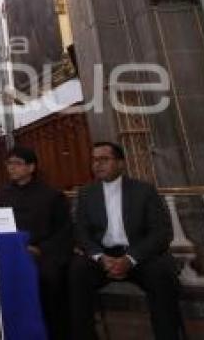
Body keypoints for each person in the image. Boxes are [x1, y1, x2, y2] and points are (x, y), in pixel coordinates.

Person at [70, 141, 181, 340]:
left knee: (162, 276)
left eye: (104, 159)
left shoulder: (144, 190)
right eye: (94, 160)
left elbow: (161, 232)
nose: (97, 164)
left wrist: (130, 259)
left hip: (140, 255)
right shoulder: (87, 193)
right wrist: (100, 257)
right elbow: (81, 232)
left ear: (121, 163)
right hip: (103, 257)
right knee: (75, 273)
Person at [0, 146, 72, 339]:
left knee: (50, 278)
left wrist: (40, 249)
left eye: (17, 163)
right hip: (7, 254)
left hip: (43, 255)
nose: (11, 168)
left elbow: (63, 232)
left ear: (31, 167)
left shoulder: (52, 196)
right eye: (9, 163)